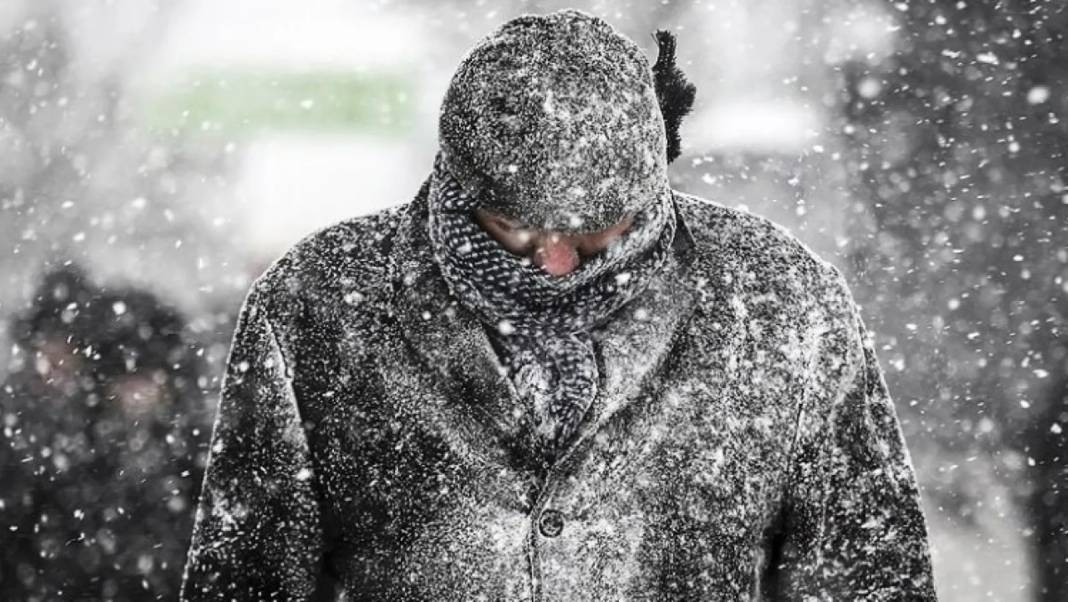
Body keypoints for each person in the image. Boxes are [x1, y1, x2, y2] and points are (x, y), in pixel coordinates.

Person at [181, 9, 937, 600]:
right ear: (456, 185)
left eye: (594, 232)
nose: (554, 262)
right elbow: (245, 577)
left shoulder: (780, 304)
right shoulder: (319, 306)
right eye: (512, 227)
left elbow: (866, 573)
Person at [0, 265, 209, 600]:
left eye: (147, 375)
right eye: (124, 378)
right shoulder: (70, 453)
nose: (136, 392)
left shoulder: (199, 452)